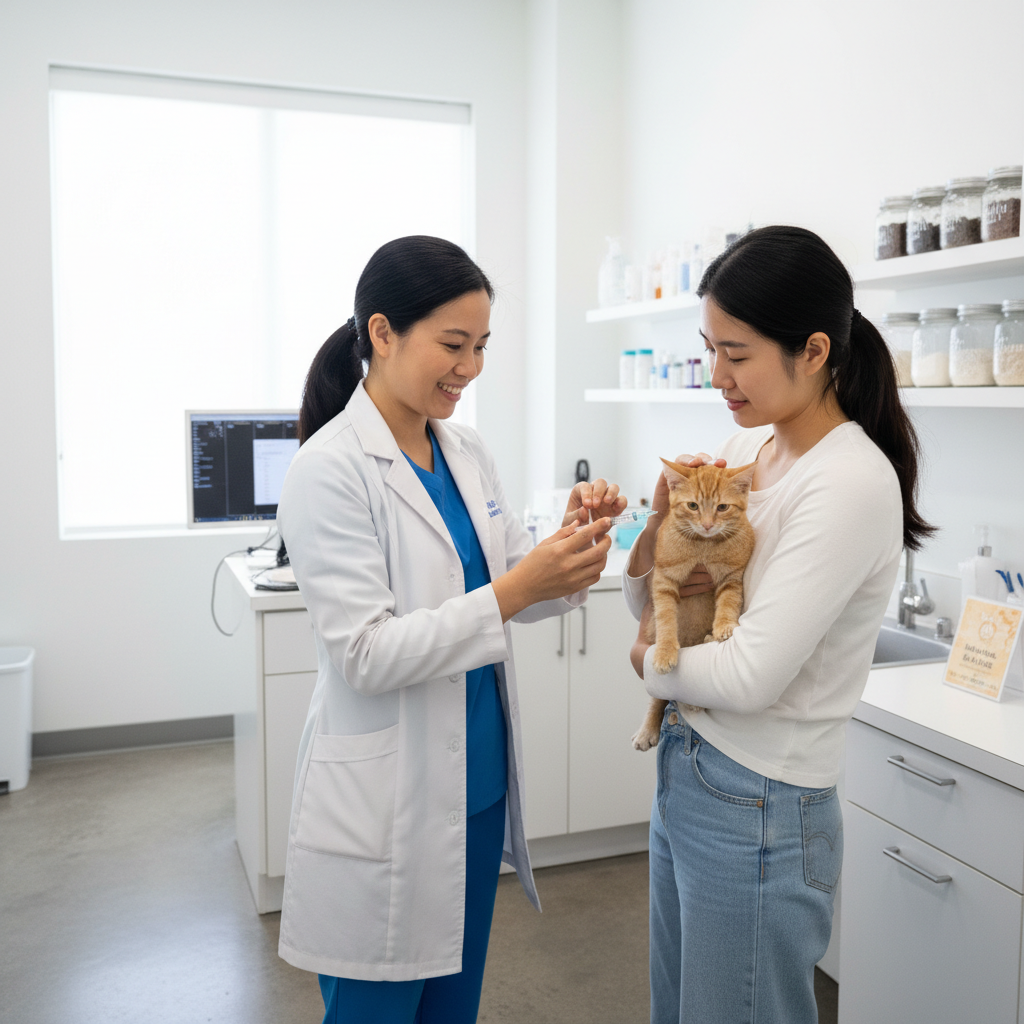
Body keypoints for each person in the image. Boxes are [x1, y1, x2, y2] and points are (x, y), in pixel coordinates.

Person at [275, 235, 626, 1024]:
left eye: (482, 348)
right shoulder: (330, 468)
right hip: (387, 800)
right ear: (381, 333)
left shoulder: (465, 451)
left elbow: (506, 588)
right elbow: (365, 654)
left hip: (476, 787)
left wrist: (565, 555)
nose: (469, 368)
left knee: (450, 1009)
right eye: (453, 345)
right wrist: (511, 591)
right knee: (376, 1013)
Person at [624, 226, 935, 1024]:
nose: (716, 374)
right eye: (709, 349)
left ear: (815, 349)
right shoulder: (743, 452)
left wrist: (649, 664)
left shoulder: (849, 482)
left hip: (758, 800)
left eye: (737, 353)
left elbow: (748, 677)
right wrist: (649, 540)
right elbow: (658, 602)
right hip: (690, 767)